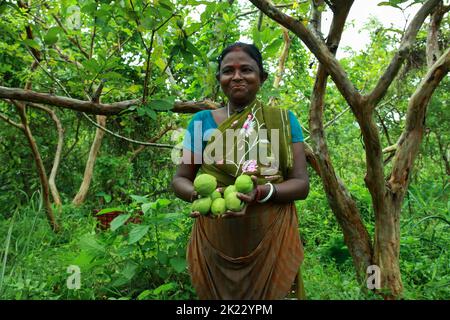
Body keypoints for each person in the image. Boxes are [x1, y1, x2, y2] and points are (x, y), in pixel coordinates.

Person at [171, 42, 309, 300]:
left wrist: (262, 192)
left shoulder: (284, 120)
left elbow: (301, 184)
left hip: (272, 241)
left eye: (246, 69)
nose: (236, 77)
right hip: (216, 240)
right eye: (228, 71)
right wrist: (202, 198)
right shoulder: (201, 122)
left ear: (262, 77)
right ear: (219, 78)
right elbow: (181, 179)